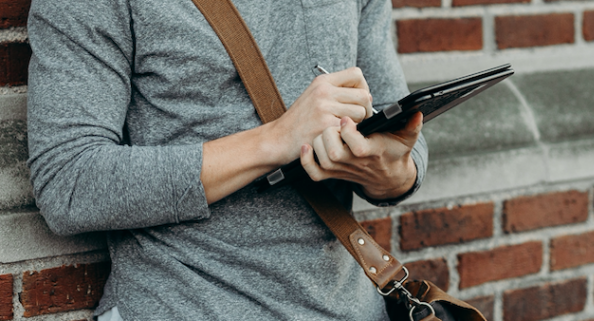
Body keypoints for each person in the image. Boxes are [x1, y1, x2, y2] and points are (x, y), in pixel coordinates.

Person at [26, 0, 427, 320]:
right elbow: (69, 183)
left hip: (351, 306)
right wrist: (277, 140)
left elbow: (401, 139)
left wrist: (390, 170)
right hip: (186, 305)